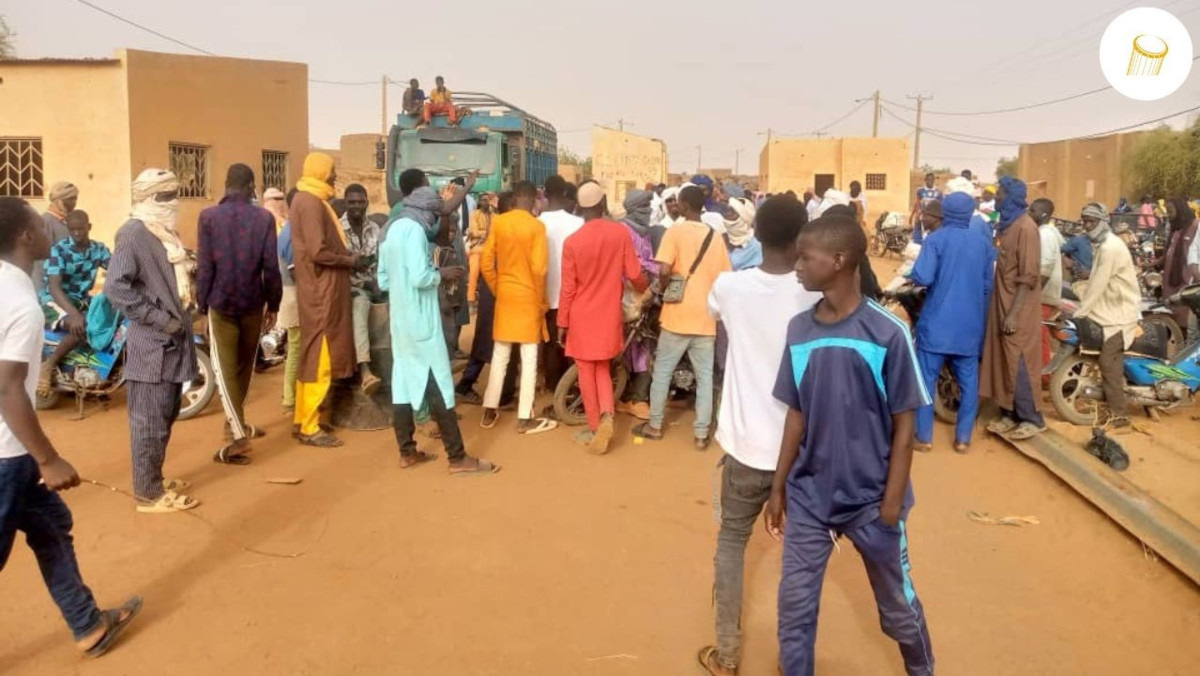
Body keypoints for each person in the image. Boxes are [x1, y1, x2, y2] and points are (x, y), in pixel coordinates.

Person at [765, 213, 934, 676]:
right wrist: (779, 486)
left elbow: (905, 427)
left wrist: (891, 505)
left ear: (839, 261)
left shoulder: (886, 333)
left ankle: (922, 669)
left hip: (871, 500)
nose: (797, 264)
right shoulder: (799, 330)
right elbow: (796, 413)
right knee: (794, 609)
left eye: (806, 256)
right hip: (810, 497)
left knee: (897, 607)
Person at [0, 196, 145, 658]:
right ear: (26, 237)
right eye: (41, 228)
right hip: (7, 453)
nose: (53, 233)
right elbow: (6, 388)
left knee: (51, 524)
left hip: (14, 454)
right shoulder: (24, 304)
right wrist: (48, 457)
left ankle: (88, 625)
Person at [698, 195, 821, 676]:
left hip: (747, 447)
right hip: (805, 448)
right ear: (801, 238)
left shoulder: (730, 286)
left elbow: (714, 312)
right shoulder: (816, 293)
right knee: (801, 555)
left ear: (757, 234)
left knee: (732, 540)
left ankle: (727, 654)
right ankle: (794, 662)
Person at [379, 183, 499, 476]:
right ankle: (457, 458)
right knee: (439, 386)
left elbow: (383, 280)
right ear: (426, 211)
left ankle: (407, 452)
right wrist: (441, 274)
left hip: (401, 321)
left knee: (404, 385)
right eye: (435, 214)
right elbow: (421, 277)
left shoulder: (392, 229)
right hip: (422, 322)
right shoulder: (415, 232)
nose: (436, 221)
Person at [107, 169, 201, 512]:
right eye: (164, 196)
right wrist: (161, 319)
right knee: (148, 420)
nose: (172, 202)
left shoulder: (163, 233)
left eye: (174, 194)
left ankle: (154, 477)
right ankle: (148, 493)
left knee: (166, 415)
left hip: (175, 343)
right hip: (153, 346)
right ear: (147, 198)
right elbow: (116, 287)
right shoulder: (133, 234)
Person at [195, 164, 281, 465]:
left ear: (226, 185)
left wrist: (202, 307)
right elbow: (271, 266)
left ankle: (237, 437)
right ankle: (235, 426)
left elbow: (205, 268)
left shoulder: (208, 218)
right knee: (243, 369)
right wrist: (275, 303)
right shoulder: (264, 218)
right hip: (253, 303)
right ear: (251, 186)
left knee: (225, 369)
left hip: (221, 304)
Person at [633, 186, 731, 448]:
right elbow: (725, 278)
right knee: (705, 377)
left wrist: (664, 287)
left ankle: (655, 425)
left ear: (685, 205)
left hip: (677, 315)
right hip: (706, 317)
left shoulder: (674, 232)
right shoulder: (715, 236)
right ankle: (700, 434)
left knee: (662, 371)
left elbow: (663, 269)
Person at [557, 182, 648, 454]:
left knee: (587, 371)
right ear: (602, 203)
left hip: (581, 316)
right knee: (603, 369)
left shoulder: (572, 242)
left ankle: (597, 425)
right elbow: (634, 274)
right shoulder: (619, 233)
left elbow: (568, 288)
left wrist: (562, 322)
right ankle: (608, 415)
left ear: (580, 207)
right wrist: (646, 290)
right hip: (609, 314)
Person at [908, 192, 993, 454]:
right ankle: (963, 439)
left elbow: (922, 276)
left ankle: (924, 437)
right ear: (970, 213)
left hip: (937, 324)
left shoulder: (936, 240)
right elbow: (987, 286)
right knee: (969, 383)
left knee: (925, 380)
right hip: (969, 326)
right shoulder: (982, 243)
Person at [290, 153, 359, 448]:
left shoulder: (310, 200)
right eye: (331, 172)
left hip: (320, 289)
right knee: (321, 357)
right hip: (322, 292)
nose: (333, 177)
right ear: (320, 173)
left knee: (314, 354)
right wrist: (349, 260)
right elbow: (318, 252)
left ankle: (306, 417)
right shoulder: (309, 203)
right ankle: (309, 426)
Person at [480, 181, 556, 434]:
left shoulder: (500, 222)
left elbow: (486, 262)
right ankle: (525, 417)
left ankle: (490, 409)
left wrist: (498, 288)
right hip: (528, 298)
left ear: (514, 197)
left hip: (506, 296)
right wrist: (541, 302)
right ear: (534, 199)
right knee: (529, 357)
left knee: (500, 354)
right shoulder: (536, 226)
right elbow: (540, 269)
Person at [982, 176, 1046, 440]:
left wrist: (1013, 313)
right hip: (1002, 304)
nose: (996, 197)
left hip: (1017, 309)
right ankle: (1009, 413)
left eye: (1000, 193)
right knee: (1002, 360)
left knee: (1018, 361)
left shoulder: (1026, 228)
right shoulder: (1007, 226)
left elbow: (1029, 276)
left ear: (1011, 197)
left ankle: (1032, 417)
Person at [1073, 203, 1140, 428]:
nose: (1086, 226)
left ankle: (1120, 417)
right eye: (1084, 221)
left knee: (1108, 362)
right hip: (1111, 309)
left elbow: (1099, 283)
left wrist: (1080, 312)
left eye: (1091, 221)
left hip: (1120, 313)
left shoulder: (1110, 247)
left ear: (1102, 222)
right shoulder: (1103, 244)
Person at [37, 210, 111, 396]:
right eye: (73, 230)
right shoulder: (59, 250)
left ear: (89, 227)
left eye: (81, 230)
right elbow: (54, 287)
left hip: (81, 300)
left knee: (109, 319)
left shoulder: (98, 249)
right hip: (55, 301)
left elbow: (118, 268)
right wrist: (75, 315)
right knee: (82, 325)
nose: (77, 234)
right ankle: (49, 364)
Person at [457, 191, 518, 406]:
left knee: (485, 341)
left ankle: (476, 385)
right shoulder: (506, 227)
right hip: (498, 291)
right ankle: (501, 393)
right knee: (499, 342)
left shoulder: (499, 224)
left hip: (492, 290)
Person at [539, 176, 584, 396]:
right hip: (573, 294)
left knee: (550, 344)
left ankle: (552, 387)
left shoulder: (537, 223)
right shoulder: (578, 223)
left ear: (545, 195)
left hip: (544, 295)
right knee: (572, 345)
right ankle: (572, 388)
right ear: (566, 195)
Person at [340, 183, 384, 394]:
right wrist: (365, 282)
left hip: (375, 284)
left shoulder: (375, 228)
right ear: (345, 203)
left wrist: (378, 282)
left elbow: (380, 261)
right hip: (351, 288)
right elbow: (341, 267)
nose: (357, 206)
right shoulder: (337, 230)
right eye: (352, 202)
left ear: (367, 203)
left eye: (360, 202)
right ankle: (365, 371)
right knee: (360, 306)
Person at [277, 189, 302, 411]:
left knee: (296, 347)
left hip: (291, 293)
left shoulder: (289, 229)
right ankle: (289, 398)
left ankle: (290, 395)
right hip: (295, 294)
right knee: (296, 347)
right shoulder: (293, 232)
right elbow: (297, 273)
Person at [1032, 199, 1063, 368]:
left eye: (1033, 210)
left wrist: (1033, 294)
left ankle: (1043, 374)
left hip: (1043, 295)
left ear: (1043, 214)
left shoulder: (1045, 235)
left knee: (1039, 337)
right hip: (1044, 294)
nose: (1030, 214)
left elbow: (1045, 269)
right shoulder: (1049, 232)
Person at [35, 181, 78, 295]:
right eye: (70, 199)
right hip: (49, 287)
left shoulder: (67, 222)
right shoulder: (46, 221)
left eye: (75, 198)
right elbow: (42, 260)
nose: (74, 202)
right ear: (59, 200)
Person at [1165, 198, 1199, 331]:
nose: (1168, 214)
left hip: (1187, 280)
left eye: (1171, 211)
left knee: (1187, 317)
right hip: (1172, 279)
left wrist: (1194, 272)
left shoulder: (1195, 226)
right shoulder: (1176, 228)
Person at [467, 192, 494, 304]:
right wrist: (485, 233)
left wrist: (486, 234)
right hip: (477, 248)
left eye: (487, 200)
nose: (485, 202)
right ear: (479, 202)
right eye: (483, 200)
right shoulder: (474, 214)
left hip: (490, 249)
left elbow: (495, 231)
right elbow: (473, 231)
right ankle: (471, 298)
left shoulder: (493, 215)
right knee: (474, 271)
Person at [723, 197, 761, 271]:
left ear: (744, 217)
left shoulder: (757, 247)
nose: (728, 214)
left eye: (733, 212)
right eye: (728, 210)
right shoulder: (721, 239)